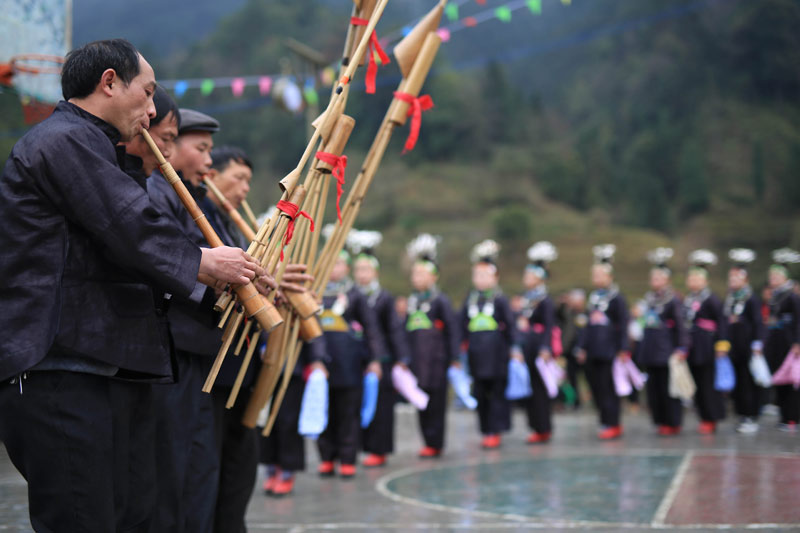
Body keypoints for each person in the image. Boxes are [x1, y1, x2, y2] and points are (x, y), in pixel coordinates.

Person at [0, 39, 264, 533]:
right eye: (146, 94)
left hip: (102, 364)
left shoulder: (95, 148)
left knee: (129, 515)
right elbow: (130, 227)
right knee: (82, 518)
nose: (150, 108)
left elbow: (127, 240)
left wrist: (222, 279)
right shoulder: (62, 141)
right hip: (59, 363)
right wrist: (207, 263)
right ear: (108, 83)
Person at [317, 249, 387, 478]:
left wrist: (375, 360)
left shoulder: (355, 294)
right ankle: (327, 457)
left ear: (347, 268)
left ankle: (348, 458)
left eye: (339, 264)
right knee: (324, 411)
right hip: (322, 364)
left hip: (350, 364)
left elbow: (371, 328)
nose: (334, 269)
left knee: (348, 413)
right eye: (330, 263)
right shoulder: (314, 292)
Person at [349, 230, 411, 468]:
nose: (361, 275)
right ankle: (362, 447)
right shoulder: (351, 296)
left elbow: (394, 330)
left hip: (381, 358)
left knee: (382, 407)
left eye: (366, 270)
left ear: (375, 272)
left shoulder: (383, 297)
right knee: (360, 404)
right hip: (359, 359)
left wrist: (401, 357)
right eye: (358, 270)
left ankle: (380, 449)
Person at [405, 233, 460, 458]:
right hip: (417, 361)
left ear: (434, 277)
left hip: (437, 362)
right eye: (414, 273)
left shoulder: (441, 301)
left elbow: (453, 330)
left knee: (436, 404)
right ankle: (427, 440)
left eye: (421, 273)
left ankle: (436, 442)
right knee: (420, 402)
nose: (416, 277)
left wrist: (454, 358)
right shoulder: (412, 301)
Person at [459, 240, 515, 449]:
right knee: (480, 393)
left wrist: (514, 349)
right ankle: (485, 429)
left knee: (497, 393)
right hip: (476, 356)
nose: (480, 279)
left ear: (495, 277)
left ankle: (496, 429)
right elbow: (461, 325)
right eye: (477, 275)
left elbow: (511, 327)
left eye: (484, 275)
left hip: (497, 357)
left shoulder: (500, 299)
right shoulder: (470, 299)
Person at [260, 338, 328, 497]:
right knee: (266, 422)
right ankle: (271, 466)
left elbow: (314, 332)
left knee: (288, 421)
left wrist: (317, 359)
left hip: (292, 367)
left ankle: (286, 470)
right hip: (265, 365)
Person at [576, 245, 629, 440]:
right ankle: (604, 421)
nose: (597, 278)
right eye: (594, 274)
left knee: (609, 388)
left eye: (600, 275)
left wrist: (623, 348)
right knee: (596, 388)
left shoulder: (617, 299)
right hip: (593, 351)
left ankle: (614, 422)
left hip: (610, 351)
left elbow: (623, 325)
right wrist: (581, 346)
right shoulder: (593, 298)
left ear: (610, 277)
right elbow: (585, 325)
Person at [637, 248, 688, 436]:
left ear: (666, 280)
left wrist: (681, 347)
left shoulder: (673, 300)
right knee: (654, 389)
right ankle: (659, 420)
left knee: (669, 389)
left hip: (666, 350)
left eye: (658, 278)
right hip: (650, 350)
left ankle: (673, 421)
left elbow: (681, 326)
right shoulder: (649, 299)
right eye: (653, 278)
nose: (654, 282)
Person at [515, 241, 558, 444]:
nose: (526, 279)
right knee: (530, 389)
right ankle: (534, 426)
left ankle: (544, 427)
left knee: (540, 390)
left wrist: (545, 347)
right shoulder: (527, 299)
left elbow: (549, 326)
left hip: (539, 349)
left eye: (529, 276)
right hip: (527, 349)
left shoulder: (545, 300)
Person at [721, 249, 765, 434]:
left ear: (745, 279)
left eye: (736, 279)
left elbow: (757, 322)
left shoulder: (751, 299)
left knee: (748, 381)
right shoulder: (730, 299)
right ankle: (741, 414)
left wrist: (757, 343)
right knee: (737, 382)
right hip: (733, 348)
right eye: (730, 279)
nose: (732, 282)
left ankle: (751, 415)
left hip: (747, 347)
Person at [683, 250, 727, 435]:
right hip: (692, 346)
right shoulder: (688, 299)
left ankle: (712, 417)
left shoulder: (711, 299)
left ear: (705, 281)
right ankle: (702, 416)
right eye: (691, 279)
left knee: (708, 383)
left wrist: (721, 345)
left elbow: (721, 322)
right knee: (697, 385)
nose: (693, 282)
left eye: (697, 279)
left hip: (707, 346)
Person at [764, 248, 800, 432]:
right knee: (779, 377)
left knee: (791, 379)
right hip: (775, 340)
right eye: (771, 276)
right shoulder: (775, 296)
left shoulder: (792, 296)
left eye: (776, 276)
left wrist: (797, 342)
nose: (773, 279)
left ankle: (793, 417)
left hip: (789, 341)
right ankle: (784, 415)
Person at [558, 289, 587, 409]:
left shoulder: (587, 313)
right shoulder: (569, 313)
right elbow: (558, 314)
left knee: (589, 377)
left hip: (585, 351)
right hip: (570, 350)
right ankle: (575, 402)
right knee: (571, 377)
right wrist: (563, 303)